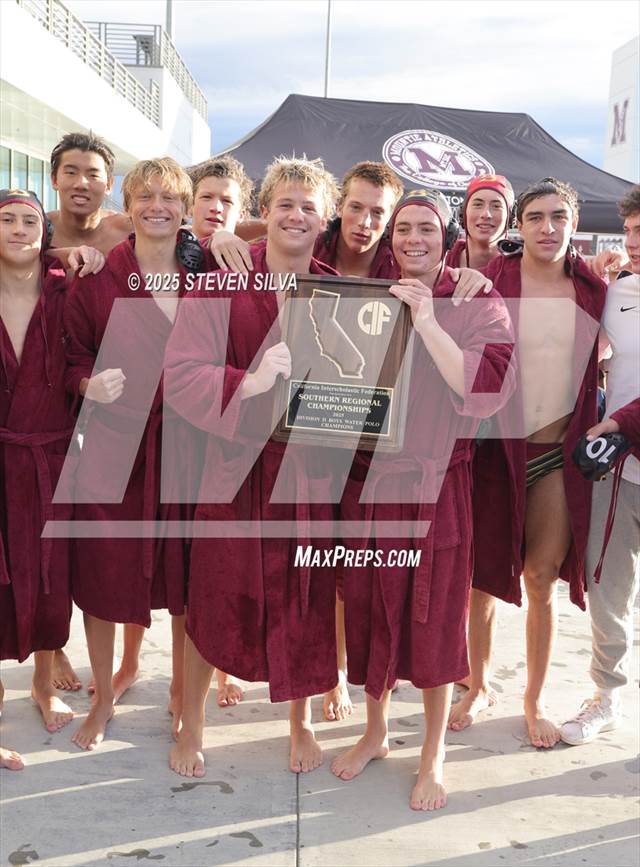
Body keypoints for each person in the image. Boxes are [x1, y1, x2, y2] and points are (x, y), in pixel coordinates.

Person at [330, 189, 515, 810]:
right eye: (402, 228)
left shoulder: (477, 297)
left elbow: (478, 387)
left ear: (447, 236)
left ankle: (431, 751)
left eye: (426, 230)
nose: (413, 239)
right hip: (372, 485)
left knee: (436, 622)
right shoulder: (368, 293)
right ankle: (377, 731)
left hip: (440, 485)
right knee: (369, 611)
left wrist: (430, 318)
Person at [164, 156, 342, 777]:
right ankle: (191, 725)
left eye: (310, 207)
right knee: (212, 597)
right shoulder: (217, 284)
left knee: (306, 599)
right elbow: (180, 373)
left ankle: (300, 723)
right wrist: (249, 378)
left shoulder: (340, 292)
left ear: (328, 218)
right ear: (264, 210)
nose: (297, 216)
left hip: (307, 472)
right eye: (285, 204)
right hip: (233, 466)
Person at [457, 178, 606, 747]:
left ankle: (534, 697)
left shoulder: (594, 289)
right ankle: (478, 683)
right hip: (498, 454)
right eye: (537, 217)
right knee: (483, 581)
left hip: (556, 455)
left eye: (559, 217)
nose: (548, 228)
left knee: (541, 580)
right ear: (520, 225)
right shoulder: (492, 281)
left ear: (573, 224)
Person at [63, 157, 195, 750]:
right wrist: (88, 384)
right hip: (115, 448)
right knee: (103, 573)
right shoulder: (96, 277)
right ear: (128, 205)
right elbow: (71, 355)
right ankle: (105, 696)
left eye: (169, 197)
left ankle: (185, 706)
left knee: (192, 579)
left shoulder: (212, 273)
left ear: (186, 209)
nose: (157, 207)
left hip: (190, 447)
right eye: (145, 196)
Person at [561, 185, 640, 745]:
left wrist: (620, 423)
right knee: (607, 591)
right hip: (620, 474)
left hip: (619, 440)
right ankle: (606, 696)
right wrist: (589, 282)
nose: (636, 243)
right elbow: (588, 349)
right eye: (632, 231)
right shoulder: (621, 292)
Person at [0, 189, 75, 765]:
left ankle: (43, 687)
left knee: (53, 583)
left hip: (50, 457)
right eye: (7, 219)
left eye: (31, 220)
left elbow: (84, 355)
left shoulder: (64, 287)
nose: (20, 229)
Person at [188, 156, 254, 709]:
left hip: (234, 431)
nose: (216, 208)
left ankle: (226, 672)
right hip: (168, 425)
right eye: (206, 197)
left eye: (227, 200)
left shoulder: (250, 257)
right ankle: (175, 686)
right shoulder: (163, 248)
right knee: (188, 574)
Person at [446, 173, 515, 270]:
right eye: (478, 205)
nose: (486, 215)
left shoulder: (526, 267)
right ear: (463, 213)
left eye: (496, 206)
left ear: (511, 217)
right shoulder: (437, 262)